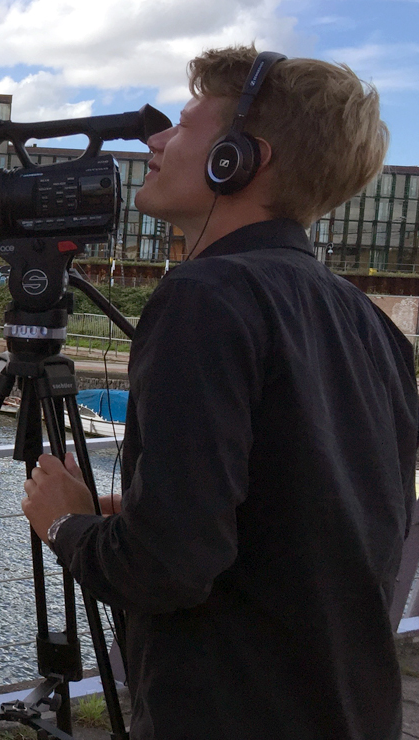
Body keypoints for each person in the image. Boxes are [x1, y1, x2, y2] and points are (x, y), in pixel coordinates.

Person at [21, 47, 418, 738]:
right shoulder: (370, 323)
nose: (156, 142)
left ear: (237, 158)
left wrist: (66, 525)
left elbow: (170, 568)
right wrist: (146, 506)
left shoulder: (204, 298)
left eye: (181, 124)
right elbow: (317, 513)